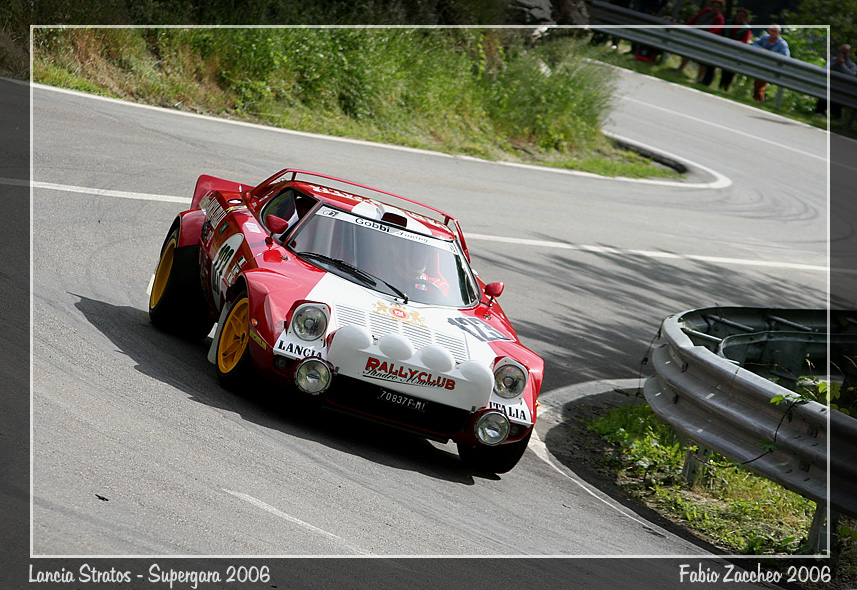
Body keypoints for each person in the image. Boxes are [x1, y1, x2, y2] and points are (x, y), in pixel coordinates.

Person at [702, 7, 752, 89]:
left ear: (745, 18)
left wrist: (734, 43)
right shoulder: (728, 23)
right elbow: (718, 31)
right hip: (722, 49)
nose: (740, 17)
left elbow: (745, 41)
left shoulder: (746, 29)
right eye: (739, 15)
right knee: (711, 65)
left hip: (734, 53)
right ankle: (706, 82)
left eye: (743, 16)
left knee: (728, 72)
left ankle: (723, 87)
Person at [677, 0, 725, 77]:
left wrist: (704, 35)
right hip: (695, 35)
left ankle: (699, 77)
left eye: (717, 7)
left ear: (720, 8)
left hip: (707, 41)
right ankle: (681, 68)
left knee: (702, 59)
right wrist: (686, 27)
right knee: (688, 52)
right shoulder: (706, 11)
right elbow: (695, 19)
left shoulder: (719, 18)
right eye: (714, 6)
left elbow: (716, 30)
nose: (714, 8)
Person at [815, 44, 857, 119]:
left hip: (842, 90)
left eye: (844, 53)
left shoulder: (852, 65)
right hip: (829, 87)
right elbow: (824, 69)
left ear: (848, 53)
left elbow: (851, 76)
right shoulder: (834, 60)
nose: (842, 55)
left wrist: (842, 65)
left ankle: (836, 117)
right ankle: (819, 113)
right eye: (841, 53)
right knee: (824, 97)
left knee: (838, 102)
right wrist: (834, 63)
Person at [750, 24, 790, 101]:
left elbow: (785, 56)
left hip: (771, 67)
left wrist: (771, 54)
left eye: (775, 31)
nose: (772, 33)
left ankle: (759, 100)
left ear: (779, 33)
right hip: (761, 64)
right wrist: (761, 49)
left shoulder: (782, 44)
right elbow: (754, 44)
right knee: (757, 84)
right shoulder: (765, 38)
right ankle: (756, 100)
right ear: (768, 31)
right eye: (771, 31)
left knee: (761, 85)